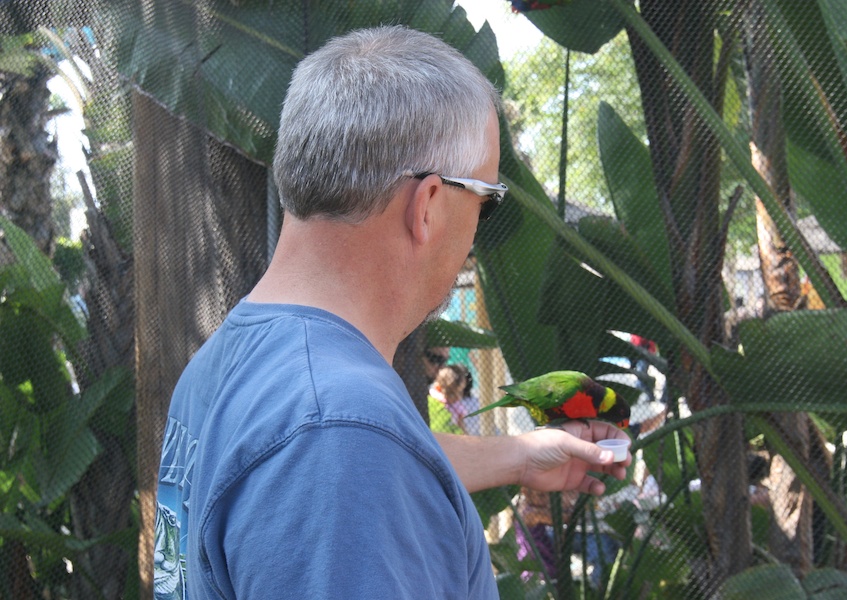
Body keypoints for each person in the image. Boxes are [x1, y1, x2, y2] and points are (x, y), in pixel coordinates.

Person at [154, 25, 631, 599]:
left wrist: (520, 456)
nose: (480, 225)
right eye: (485, 198)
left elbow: (358, 463)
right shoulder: (339, 430)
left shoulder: (227, 367)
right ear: (428, 204)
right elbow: (345, 453)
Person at [428, 363, 470, 434]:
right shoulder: (434, 398)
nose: (457, 397)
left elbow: (461, 424)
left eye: (460, 393)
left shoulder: (457, 406)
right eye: (452, 394)